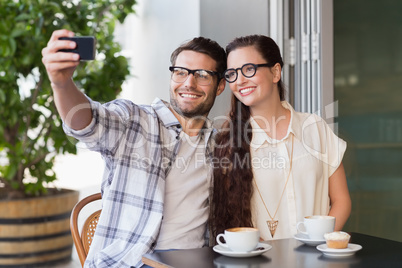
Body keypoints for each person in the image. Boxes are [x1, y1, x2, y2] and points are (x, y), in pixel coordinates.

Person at [42, 29, 226, 267]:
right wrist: (61, 83)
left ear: (220, 85)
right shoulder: (134, 120)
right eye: (180, 72)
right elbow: (87, 123)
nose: (188, 83)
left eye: (202, 75)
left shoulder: (218, 144)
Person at [209, 35, 351, 241]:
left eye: (249, 69)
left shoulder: (315, 127)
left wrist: (318, 243)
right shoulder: (226, 144)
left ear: (275, 72)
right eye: (232, 73)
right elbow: (230, 220)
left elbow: (341, 200)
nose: (239, 80)